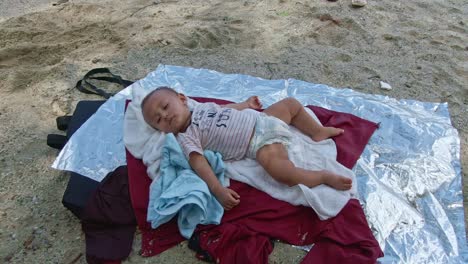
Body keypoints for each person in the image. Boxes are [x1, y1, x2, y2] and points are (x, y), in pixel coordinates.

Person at [141, 87, 352, 210]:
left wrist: (245, 105)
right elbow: (200, 164)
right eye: (158, 119)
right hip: (258, 144)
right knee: (281, 172)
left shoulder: (202, 108)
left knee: (291, 104)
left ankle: (317, 131)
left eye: (166, 107)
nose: (165, 115)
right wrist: (218, 190)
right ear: (160, 129)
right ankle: (322, 177)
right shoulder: (186, 138)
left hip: (263, 119)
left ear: (182, 99)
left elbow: (225, 109)